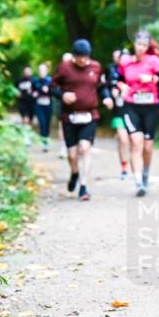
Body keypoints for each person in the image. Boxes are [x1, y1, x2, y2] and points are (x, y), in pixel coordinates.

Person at [52, 39, 113, 201]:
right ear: (74, 56)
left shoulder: (96, 67)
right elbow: (52, 87)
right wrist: (62, 95)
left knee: (85, 148)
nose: (83, 60)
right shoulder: (64, 68)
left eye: (86, 57)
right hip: (69, 117)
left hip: (89, 115)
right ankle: (74, 172)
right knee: (72, 155)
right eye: (80, 57)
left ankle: (84, 186)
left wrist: (106, 97)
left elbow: (102, 86)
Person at [117, 30, 159, 197]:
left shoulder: (154, 61)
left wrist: (152, 79)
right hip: (131, 106)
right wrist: (120, 86)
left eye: (144, 45)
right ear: (134, 44)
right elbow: (117, 79)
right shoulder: (125, 61)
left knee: (147, 146)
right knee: (136, 142)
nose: (141, 47)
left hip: (151, 108)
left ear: (148, 47)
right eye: (139, 44)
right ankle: (138, 181)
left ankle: (145, 173)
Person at [107, 49, 131, 180]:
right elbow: (105, 87)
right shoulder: (113, 72)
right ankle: (124, 168)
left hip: (134, 112)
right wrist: (111, 95)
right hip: (119, 112)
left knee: (134, 141)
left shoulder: (135, 72)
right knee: (123, 139)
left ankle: (136, 166)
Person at [31, 63, 53, 152]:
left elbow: (55, 92)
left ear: (46, 71)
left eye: (43, 70)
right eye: (40, 70)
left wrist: (49, 90)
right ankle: (44, 142)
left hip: (48, 105)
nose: (42, 72)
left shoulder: (50, 81)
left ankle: (46, 139)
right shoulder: (35, 81)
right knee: (42, 123)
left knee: (47, 124)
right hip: (39, 105)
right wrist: (34, 94)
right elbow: (32, 92)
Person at [54, 52, 72, 159]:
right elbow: (53, 87)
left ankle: (74, 146)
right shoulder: (59, 72)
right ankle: (63, 147)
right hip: (62, 103)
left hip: (77, 105)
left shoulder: (79, 71)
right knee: (62, 125)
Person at [15, 66, 35, 146]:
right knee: (25, 119)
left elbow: (37, 90)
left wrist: (34, 93)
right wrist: (17, 93)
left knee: (30, 120)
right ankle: (26, 137)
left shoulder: (34, 80)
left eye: (28, 71)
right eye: (26, 71)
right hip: (22, 103)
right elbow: (15, 89)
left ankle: (29, 135)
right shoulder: (19, 80)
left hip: (31, 103)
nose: (27, 73)